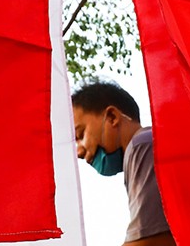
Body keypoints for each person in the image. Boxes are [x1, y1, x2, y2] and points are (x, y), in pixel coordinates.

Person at [71, 81, 176, 246]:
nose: (79, 152)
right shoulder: (143, 148)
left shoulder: (141, 145)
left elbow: (152, 241)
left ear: (112, 117)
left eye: (80, 134)